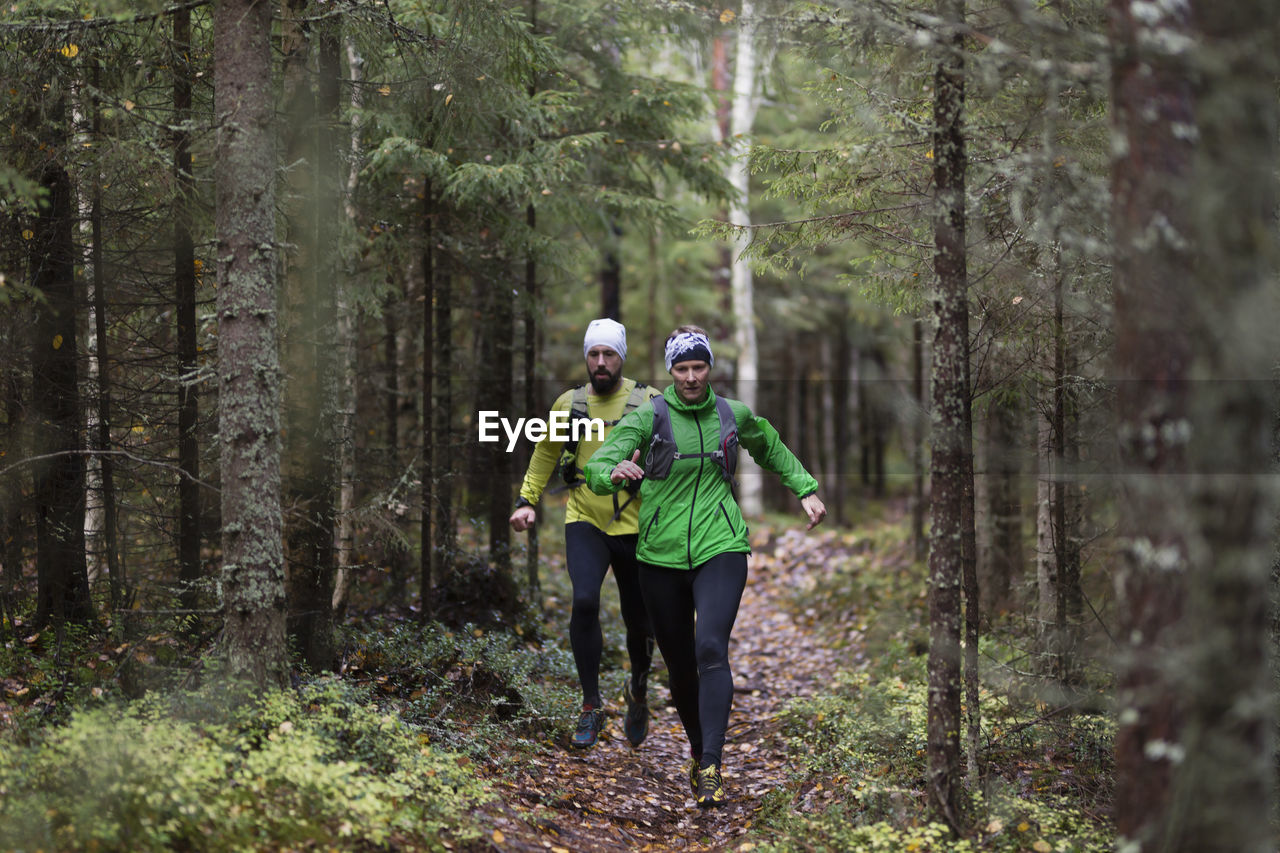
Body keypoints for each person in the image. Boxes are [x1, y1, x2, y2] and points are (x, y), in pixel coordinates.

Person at [583, 325, 826, 808]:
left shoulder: (729, 414)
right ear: (670, 372)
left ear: (709, 368)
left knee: (711, 647)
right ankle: (699, 753)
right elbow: (599, 463)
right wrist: (612, 472)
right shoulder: (648, 417)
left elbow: (770, 446)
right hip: (658, 556)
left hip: (722, 546)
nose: (692, 377)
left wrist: (806, 489)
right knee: (679, 666)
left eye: (699, 367)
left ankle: (713, 763)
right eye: (682, 368)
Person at [510, 318, 662, 749]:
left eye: (608, 354)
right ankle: (591, 704)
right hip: (586, 519)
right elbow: (545, 453)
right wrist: (526, 501)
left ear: (621, 357)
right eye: (593, 354)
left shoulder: (649, 401)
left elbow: (672, 457)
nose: (600, 362)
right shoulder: (569, 404)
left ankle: (638, 689)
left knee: (639, 620)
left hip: (638, 525)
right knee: (583, 601)